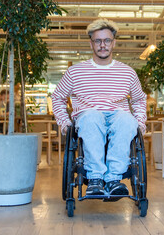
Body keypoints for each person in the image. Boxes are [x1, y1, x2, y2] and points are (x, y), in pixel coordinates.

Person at [52, 19, 147, 197]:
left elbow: (139, 100)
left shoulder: (127, 72)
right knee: (92, 117)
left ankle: (113, 179)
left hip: (118, 116)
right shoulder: (75, 72)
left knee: (127, 120)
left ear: (114, 43)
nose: (103, 45)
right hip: (88, 116)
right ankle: (95, 178)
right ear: (91, 43)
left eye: (107, 41)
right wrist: (65, 123)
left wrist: (140, 122)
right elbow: (57, 97)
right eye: (98, 41)